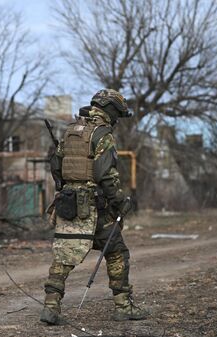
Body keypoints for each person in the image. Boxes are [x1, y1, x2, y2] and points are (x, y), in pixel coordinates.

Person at [40, 89, 149, 325]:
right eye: (117, 115)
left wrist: (67, 187)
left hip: (68, 205)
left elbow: (56, 167)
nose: (117, 120)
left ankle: (50, 306)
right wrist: (120, 203)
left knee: (63, 255)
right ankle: (123, 306)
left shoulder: (70, 131)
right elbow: (106, 176)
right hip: (95, 208)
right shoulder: (102, 135)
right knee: (116, 251)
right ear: (110, 111)